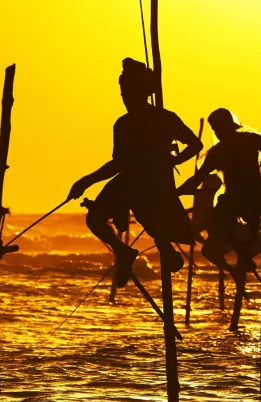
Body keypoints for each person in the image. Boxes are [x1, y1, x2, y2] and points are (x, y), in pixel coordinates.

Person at [68, 58, 203, 288]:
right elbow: (118, 163)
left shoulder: (164, 118)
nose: (124, 97)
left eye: (128, 92)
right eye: (122, 93)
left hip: (156, 183)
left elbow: (195, 145)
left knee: (154, 221)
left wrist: (173, 160)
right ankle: (123, 251)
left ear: (142, 92)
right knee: (94, 219)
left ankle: (166, 250)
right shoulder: (122, 124)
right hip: (129, 181)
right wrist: (86, 181)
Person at [177, 108, 261, 285]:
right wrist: (177, 192)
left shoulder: (246, 141)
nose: (217, 133)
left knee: (225, 218)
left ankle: (244, 250)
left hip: (249, 199)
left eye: (219, 128)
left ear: (229, 125)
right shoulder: (224, 150)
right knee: (219, 220)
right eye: (215, 130)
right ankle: (243, 251)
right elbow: (197, 179)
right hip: (241, 200)